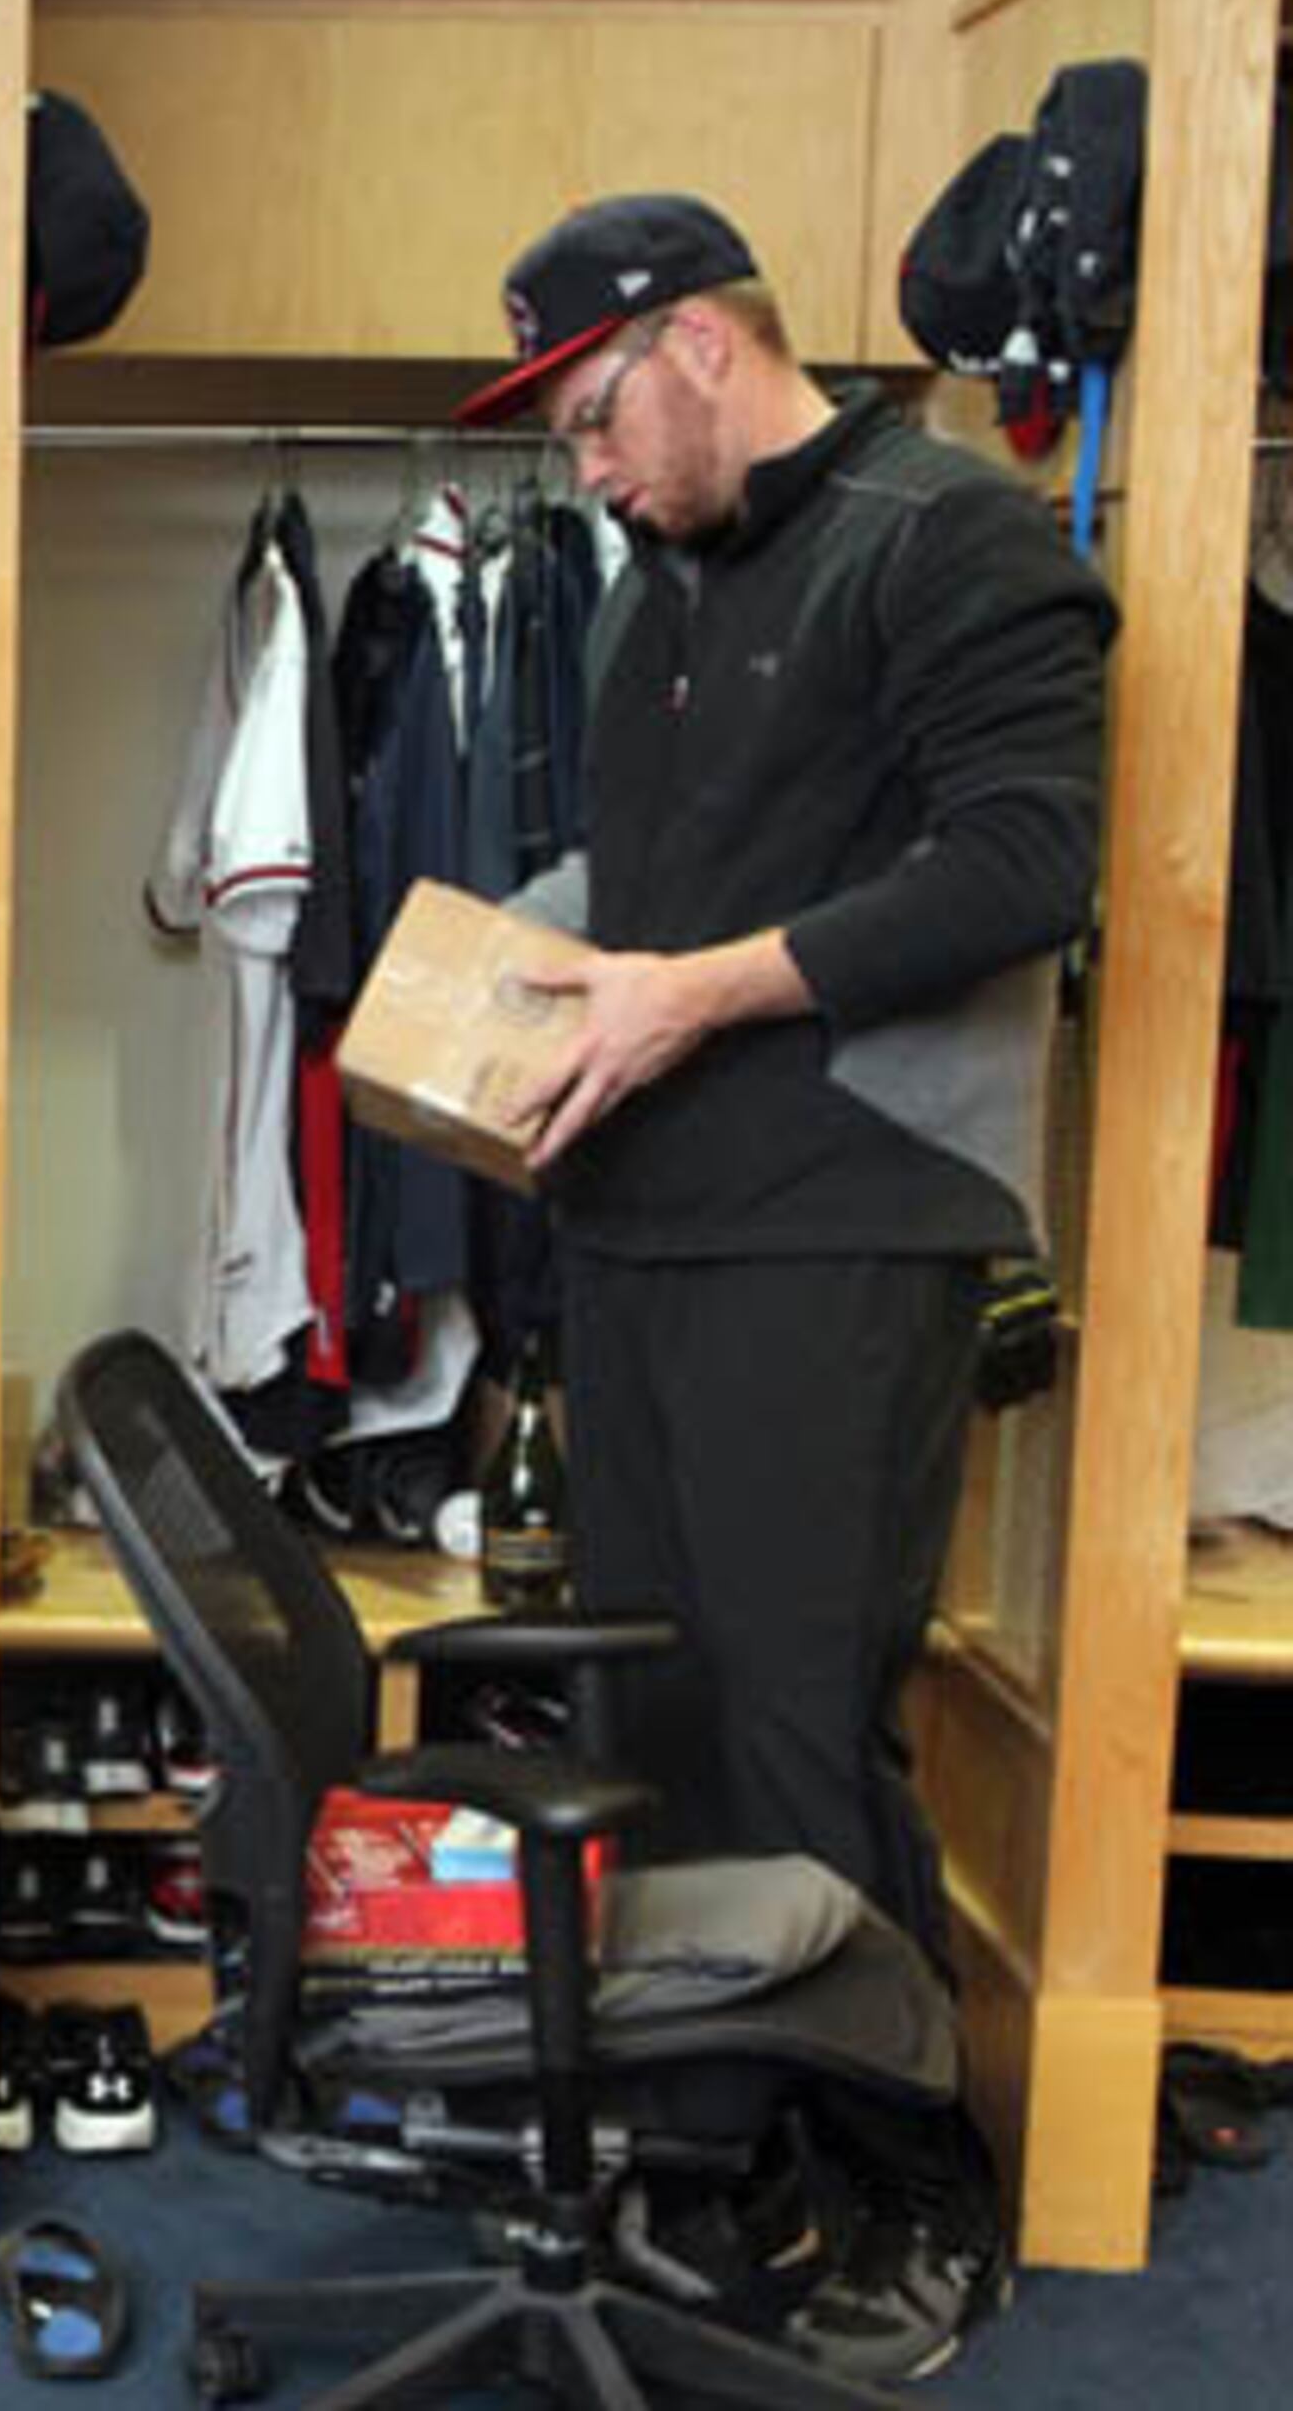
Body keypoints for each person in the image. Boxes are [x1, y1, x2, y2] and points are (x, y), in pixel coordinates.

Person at [454, 193, 1111, 2383]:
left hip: (848, 1223)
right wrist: (485, 996)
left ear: (704, 350)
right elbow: (649, 897)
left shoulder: (947, 539)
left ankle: (917, 2181)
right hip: (640, 1227)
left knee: (803, 1723)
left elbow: (1027, 865)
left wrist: (684, 996)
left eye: (592, 412)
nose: (585, 464)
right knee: (659, 1724)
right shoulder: (664, 587)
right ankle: (728, 2137)